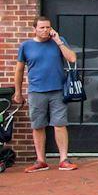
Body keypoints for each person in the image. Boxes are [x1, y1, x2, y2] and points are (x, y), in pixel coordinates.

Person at [15, 16, 80, 172]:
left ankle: (64, 159)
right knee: (38, 126)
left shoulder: (59, 41)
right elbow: (19, 70)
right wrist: (18, 91)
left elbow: (72, 58)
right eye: (42, 27)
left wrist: (58, 41)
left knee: (59, 124)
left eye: (48, 27)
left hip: (58, 90)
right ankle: (41, 161)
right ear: (34, 29)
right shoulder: (26, 46)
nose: (45, 30)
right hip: (36, 91)